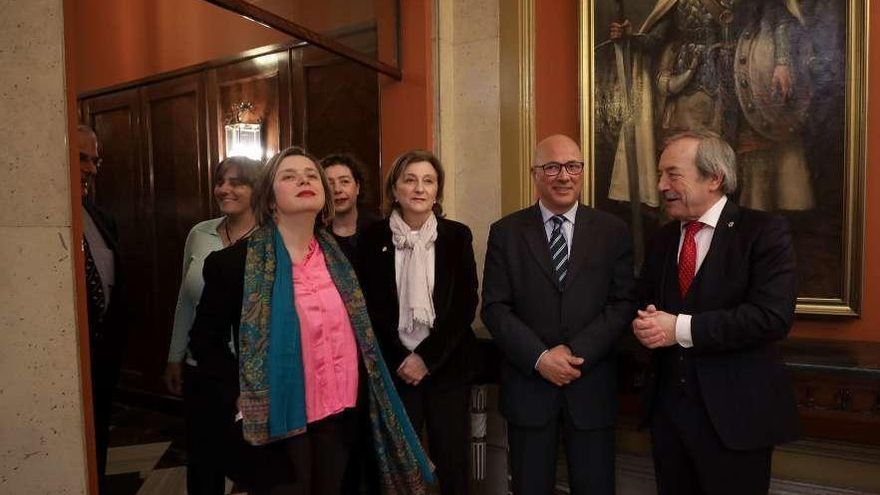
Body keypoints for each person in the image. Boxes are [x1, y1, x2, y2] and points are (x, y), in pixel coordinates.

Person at [188, 146, 433, 495]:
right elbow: (204, 341)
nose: (304, 179)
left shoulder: (344, 258)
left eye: (311, 175)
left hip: (342, 413)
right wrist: (240, 393)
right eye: (289, 176)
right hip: (282, 418)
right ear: (270, 199)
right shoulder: (234, 264)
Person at [632, 131, 799, 494]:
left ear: (714, 178)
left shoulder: (763, 233)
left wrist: (678, 327)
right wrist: (643, 325)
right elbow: (644, 305)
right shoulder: (661, 239)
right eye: (661, 175)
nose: (661, 185)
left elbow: (771, 317)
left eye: (672, 174)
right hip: (669, 421)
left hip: (736, 421)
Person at [481, 135, 636, 494]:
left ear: (582, 172)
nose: (563, 176)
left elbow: (622, 303)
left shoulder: (613, 231)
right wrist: (541, 358)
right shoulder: (506, 232)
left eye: (572, 166)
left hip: (591, 386)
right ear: (535, 173)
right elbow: (494, 307)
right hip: (529, 389)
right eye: (552, 167)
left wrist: (574, 353)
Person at [606, 0, 814, 212]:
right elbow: (656, 39)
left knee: (749, 165)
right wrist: (631, 38)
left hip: (744, 86)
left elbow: (779, 20)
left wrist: (782, 62)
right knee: (690, 161)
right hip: (692, 92)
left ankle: (742, 230)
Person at [359, 150, 480, 494]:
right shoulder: (372, 238)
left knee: (452, 462)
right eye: (409, 180)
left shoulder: (457, 236)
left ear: (437, 191)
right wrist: (403, 359)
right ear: (394, 189)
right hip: (395, 369)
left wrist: (426, 358)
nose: (419, 188)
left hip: (447, 368)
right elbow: (369, 308)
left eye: (428, 181)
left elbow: (464, 304)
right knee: (399, 466)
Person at [163, 156, 261, 494]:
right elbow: (185, 299)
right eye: (221, 181)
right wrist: (175, 355)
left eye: (237, 182)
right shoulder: (199, 233)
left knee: (253, 466)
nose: (225, 189)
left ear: (257, 188)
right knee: (203, 463)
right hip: (201, 368)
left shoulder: (270, 238)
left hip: (250, 375)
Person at [77, 124, 128, 490]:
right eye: (81, 158)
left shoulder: (101, 218)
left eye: (95, 160)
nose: (91, 169)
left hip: (102, 358)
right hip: (63, 360)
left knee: (97, 441)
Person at [320, 153, 381, 264]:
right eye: (329, 184)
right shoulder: (316, 235)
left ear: (357, 187)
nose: (337, 190)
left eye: (344, 181)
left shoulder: (379, 230)